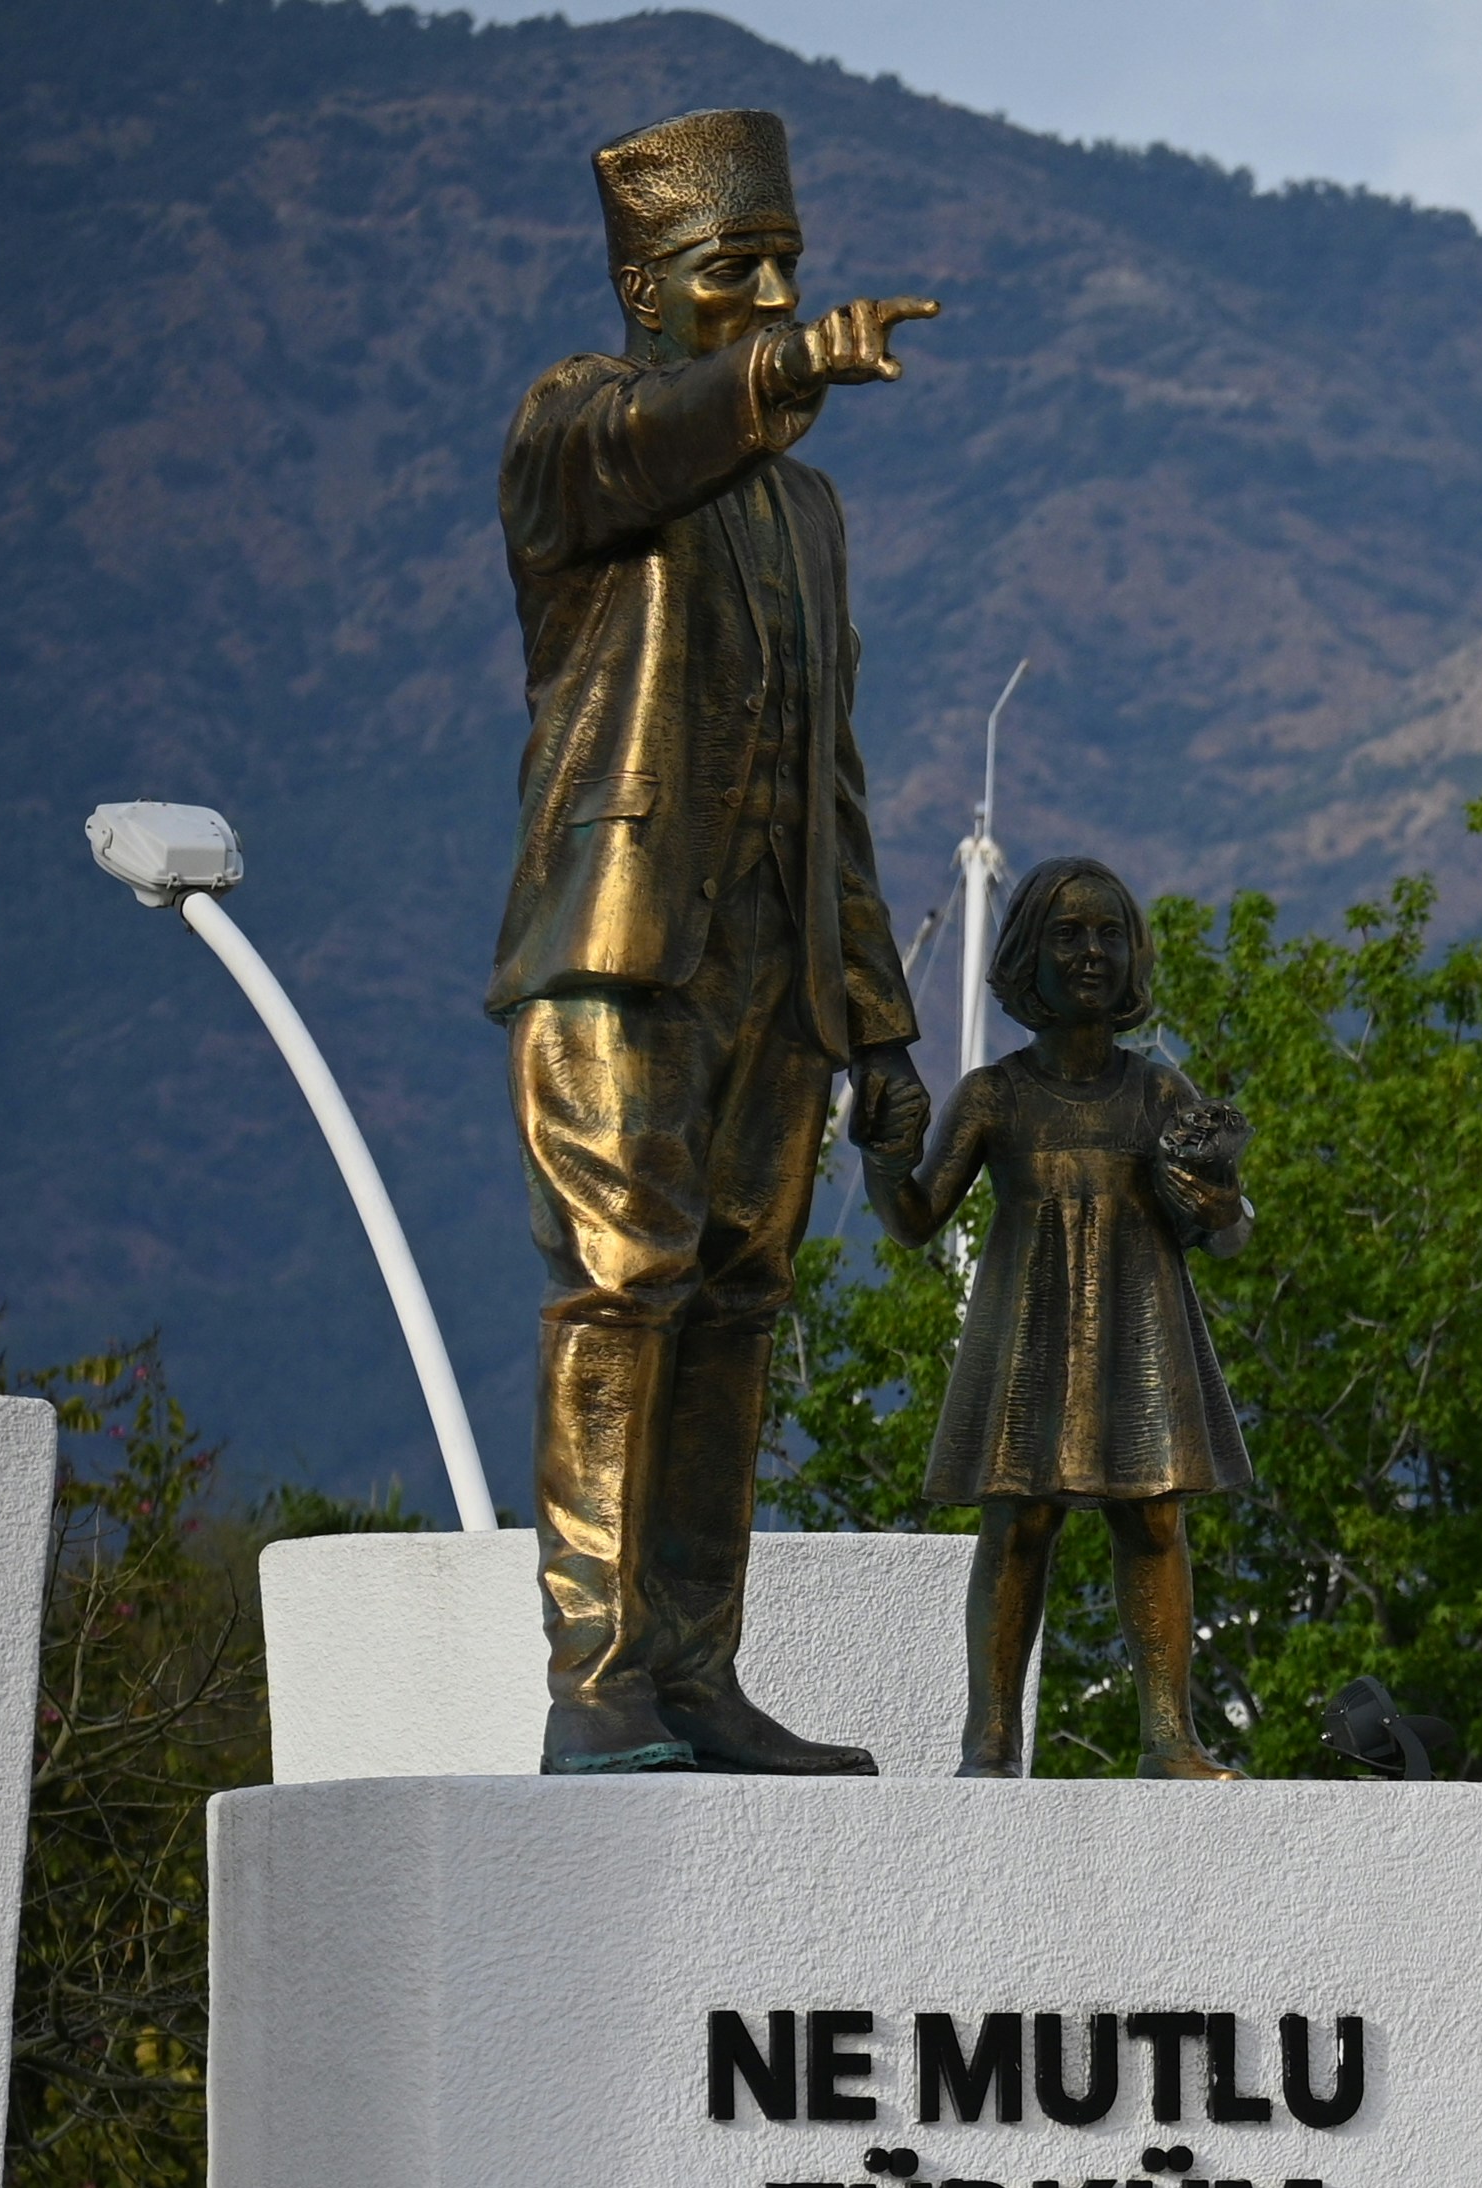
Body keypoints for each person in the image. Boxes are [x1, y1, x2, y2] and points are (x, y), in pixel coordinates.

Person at [491, 104, 938, 1777]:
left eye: (782, 270)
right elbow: (641, 447)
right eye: (725, 270)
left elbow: (838, 778)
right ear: (642, 289)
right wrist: (775, 373)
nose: (760, 296)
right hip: (619, 949)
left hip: (775, 968)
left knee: (739, 1300)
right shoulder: (576, 432)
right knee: (625, 1282)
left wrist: (878, 1026)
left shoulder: (805, 516)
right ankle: (595, 1675)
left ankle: (693, 1670)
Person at [863, 855, 1257, 1781]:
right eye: (1068, 934)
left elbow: (1229, 1237)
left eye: (1109, 934)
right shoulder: (995, 1095)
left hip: (1141, 1329)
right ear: (1026, 956)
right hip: (1029, 1334)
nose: (1091, 953)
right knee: (1022, 1522)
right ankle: (990, 1744)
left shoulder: (1161, 1092)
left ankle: (1170, 1738)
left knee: (1154, 1520)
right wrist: (885, 1158)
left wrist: (1215, 1191)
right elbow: (918, 1221)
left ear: (1134, 956)